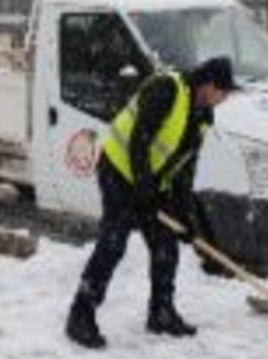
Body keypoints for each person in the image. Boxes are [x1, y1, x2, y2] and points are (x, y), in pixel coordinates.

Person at [65, 57, 238, 348]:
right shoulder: (167, 89)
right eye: (223, 92)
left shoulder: (201, 118)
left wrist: (185, 219)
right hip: (118, 170)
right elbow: (139, 140)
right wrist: (144, 191)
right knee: (113, 243)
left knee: (165, 245)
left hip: (150, 182)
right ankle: (80, 315)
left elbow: (183, 173)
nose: (224, 99)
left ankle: (161, 312)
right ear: (208, 85)